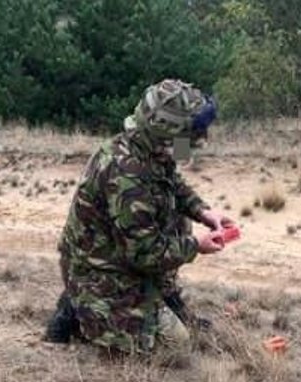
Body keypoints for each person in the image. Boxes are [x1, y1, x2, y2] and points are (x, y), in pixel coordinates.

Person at [42, 78, 234, 354]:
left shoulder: (150, 147)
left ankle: (162, 297)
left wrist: (203, 211)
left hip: (123, 261)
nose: (199, 139)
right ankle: (77, 309)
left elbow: (172, 181)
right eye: (193, 132)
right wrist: (197, 246)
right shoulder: (127, 174)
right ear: (168, 130)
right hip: (102, 271)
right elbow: (145, 253)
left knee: (177, 216)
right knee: (175, 347)